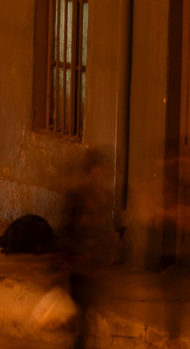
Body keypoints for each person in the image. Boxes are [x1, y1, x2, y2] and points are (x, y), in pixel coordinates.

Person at [57, 149, 115, 349]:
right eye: (96, 172)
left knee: (86, 319)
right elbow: (67, 229)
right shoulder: (76, 196)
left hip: (94, 267)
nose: (99, 176)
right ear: (89, 171)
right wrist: (66, 262)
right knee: (81, 318)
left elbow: (106, 230)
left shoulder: (104, 197)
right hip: (79, 268)